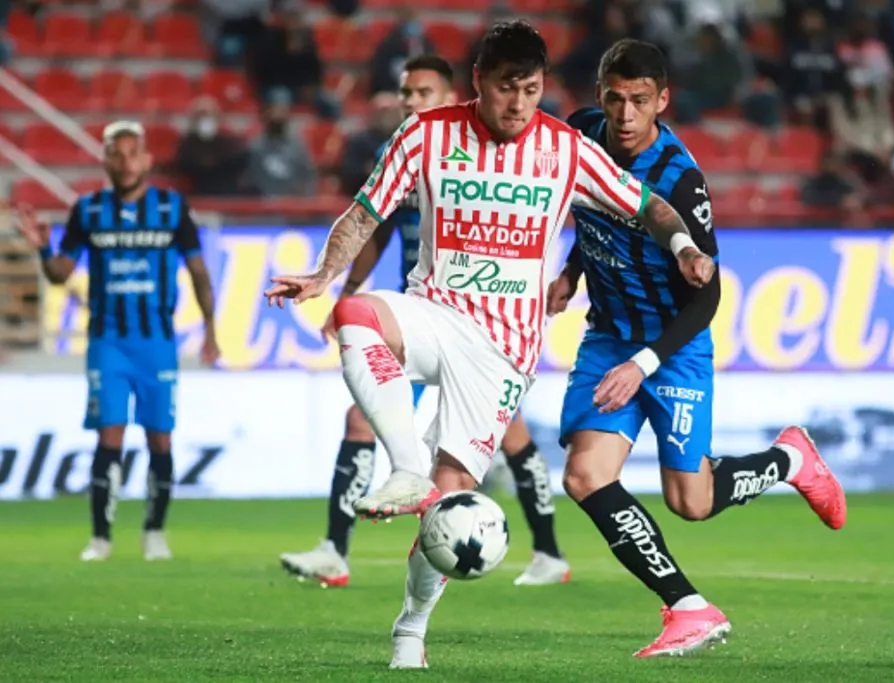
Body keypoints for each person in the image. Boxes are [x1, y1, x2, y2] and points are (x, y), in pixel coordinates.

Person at [263, 20, 715, 668]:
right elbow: (365, 211)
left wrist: (685, 248)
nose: (520, 105)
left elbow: (651, 206)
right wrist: (322, 274)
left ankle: (409, 631)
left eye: (531, 90)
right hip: (434, 310)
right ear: (479, 81)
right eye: (507, 89)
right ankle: (404, 466)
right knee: (353, 313)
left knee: (448, 506)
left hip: (502, 350)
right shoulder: (425, 134)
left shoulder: (564, 148)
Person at [547, 39, 848, 658]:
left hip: (671, 346)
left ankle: (791, 461)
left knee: (693, 500)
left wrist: (645, 363)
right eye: (614, 99)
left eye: (639, 101)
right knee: (584, 475)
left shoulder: (681, 181)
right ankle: (688, 607)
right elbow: (598, 212)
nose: (625, 114)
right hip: (609, 337)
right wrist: (574, 272)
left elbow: (706, 299)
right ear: (599, 95)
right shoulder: (581, 135)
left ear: (662, 100)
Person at [278, 54, 570, 588]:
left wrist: (563, 278)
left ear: (454, 95)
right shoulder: (412, 154)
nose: (408, 102)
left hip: (489, 328)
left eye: (421, 92)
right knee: (359, 421)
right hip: (423, 320)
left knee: (512, 437)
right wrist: (340, 290)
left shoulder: (474, 151)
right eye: (405, 92)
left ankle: (549, 549)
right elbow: (375, 230)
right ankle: (335, 548)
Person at [16, 121, 220, 562]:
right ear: (104, 159)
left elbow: (199, 271)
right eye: (116, 153)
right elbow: (60, 274)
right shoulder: (87, 211)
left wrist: (210, 330)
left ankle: (154, 532)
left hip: (157, 342)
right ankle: (101, 537)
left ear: (147, 159)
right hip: (107, 341)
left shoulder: (171, 208)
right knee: (109, 437)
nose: (125, 161)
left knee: (160, 440)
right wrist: (43, 248)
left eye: (133, 153)